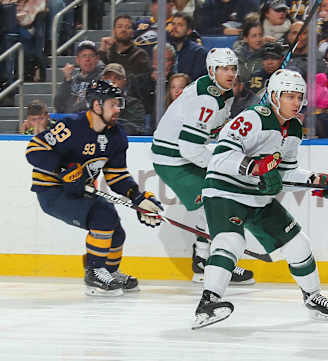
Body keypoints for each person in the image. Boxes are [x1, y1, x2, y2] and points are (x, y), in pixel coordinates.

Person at [191, 68, 328, 330]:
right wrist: (256, 167)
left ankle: (313, 296)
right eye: (289, 97)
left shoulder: (295, 127)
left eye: (299, 97)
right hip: (225, 191)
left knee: (299, 245)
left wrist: (317, 181)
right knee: (231, 242)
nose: (295, 103)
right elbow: (221, 157)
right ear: (274, 96)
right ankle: (208, 303)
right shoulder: (253, 118)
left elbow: (284, 174)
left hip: (257, 197)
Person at [25, 80, 164, 296]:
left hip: (79, 191)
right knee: (103, 215)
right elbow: (34, 149)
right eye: (112, 104)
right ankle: (94, 272)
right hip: (52, 191)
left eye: (119, 104)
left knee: (116, 232)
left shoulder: (117, 136)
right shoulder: (72, 127)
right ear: (97, 105)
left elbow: (116, 176)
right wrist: (63, 168)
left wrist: (137, 197)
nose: (118, 109)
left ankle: (108, 271)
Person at [151, 48, 255, 285]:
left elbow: (214, 129)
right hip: (173, 160)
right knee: (214, 202)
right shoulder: (207, 98)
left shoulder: (223, 92)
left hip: (182, 153)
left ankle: (204, 260)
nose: (229, 74)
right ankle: (208, 262)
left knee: (216, 200)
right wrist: (221, 166)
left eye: (232, 69)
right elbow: (189, 148)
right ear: (211, 70)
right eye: (223, 69)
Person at [54, 40, 104, 114]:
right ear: (77, 60)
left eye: (91, 56)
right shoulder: (73, 80)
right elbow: (58, 104)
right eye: (84, 56)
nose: (87, 59)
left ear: (97, 59)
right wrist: (67, 80)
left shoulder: (102, 79)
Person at [101, 63, 148, 136]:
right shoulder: (94, 102)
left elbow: (138, 128)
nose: (112, 82)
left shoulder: (134, 104)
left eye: (117, 78)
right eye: (108, 78)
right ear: (102, 80)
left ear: (124, 81)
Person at [168, 12, 208, 81]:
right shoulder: (165, 49)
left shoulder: (198, 52)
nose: (174, 28)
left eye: (180, 25)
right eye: (173, 24)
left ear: (189, 31)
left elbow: (197, 80)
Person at [233, 14, 264, 84]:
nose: (258, 39)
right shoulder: (236, 57)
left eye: (260, 35)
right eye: (254, 36)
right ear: (245, 39)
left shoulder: (267, 55)